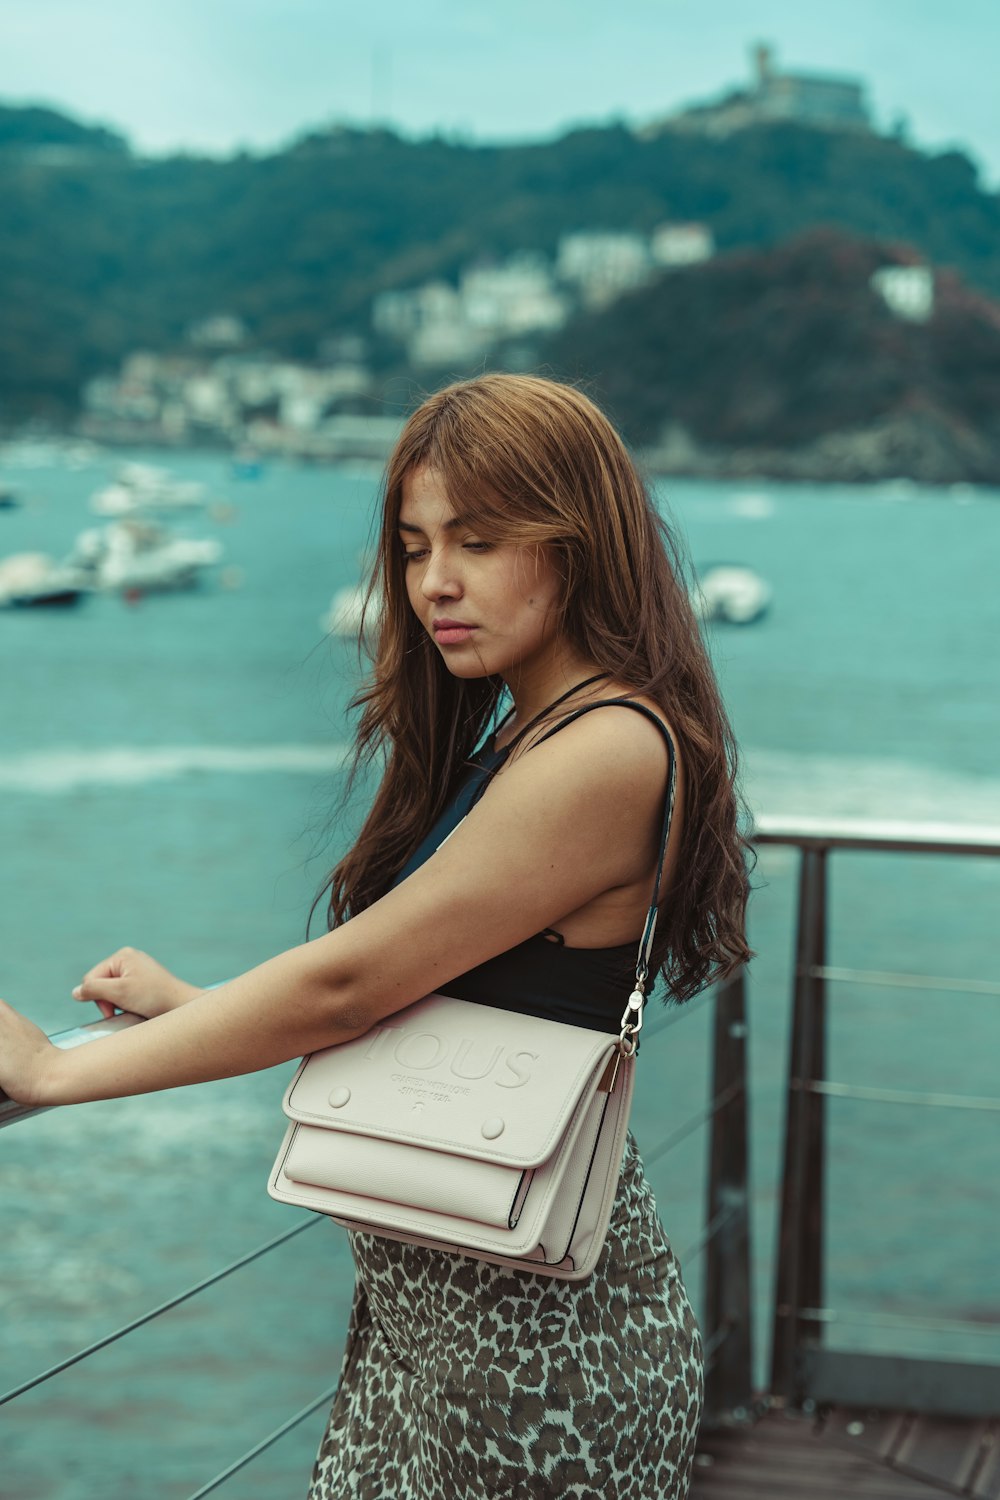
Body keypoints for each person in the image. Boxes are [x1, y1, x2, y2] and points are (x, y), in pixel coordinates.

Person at [0, 373, 753, 1499]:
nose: (434, 583)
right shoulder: (524, 730)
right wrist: (201, 1009)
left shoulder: (604, 749)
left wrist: (56, 1073)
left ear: (578, 541)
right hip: (431, 1334)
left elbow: (353, 984)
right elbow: (432, 1011)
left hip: (541, 1360)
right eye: (411, 547)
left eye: (479, 542)